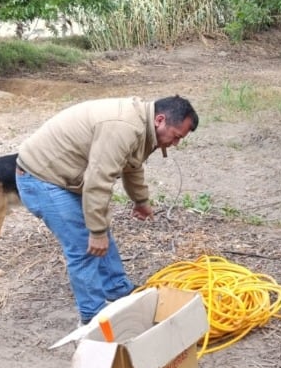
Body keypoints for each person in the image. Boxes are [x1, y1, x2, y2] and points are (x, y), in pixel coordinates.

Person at [15, 95, 199, 324]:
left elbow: (132, 165)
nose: (175, 143)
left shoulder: (141, 124)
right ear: (160, 120)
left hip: (65, 177)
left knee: (99, 234)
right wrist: (97, 231)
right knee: (85, 245)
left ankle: (118, 290)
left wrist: (141, 201)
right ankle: (93, 316)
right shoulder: (123, 127)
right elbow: (98, 180)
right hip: (42, 178)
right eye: (176, 136)